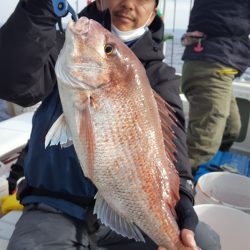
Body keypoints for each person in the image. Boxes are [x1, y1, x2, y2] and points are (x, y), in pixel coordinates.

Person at [0, 0, 220, 249]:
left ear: (154, 11)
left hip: (125, 213)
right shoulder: (62, 46)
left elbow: (174, 145)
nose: (128, 3)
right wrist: (38, 8)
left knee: (204, 241)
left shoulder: (162, 76)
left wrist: (182, 198)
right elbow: (12, 83)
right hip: (53, 205)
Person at [181, 0, 250, 173]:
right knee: (202, 144)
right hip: (211, 64)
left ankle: (211, 169)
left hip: (216, 63)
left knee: (230, 129)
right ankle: (176, 190)